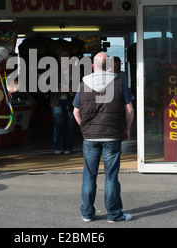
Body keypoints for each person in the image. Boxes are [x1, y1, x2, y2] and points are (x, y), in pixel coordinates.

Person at [73, 52, 134, 222]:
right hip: (112, 136)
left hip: (90, 137)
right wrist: (126, 129)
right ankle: (114, 214)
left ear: (93, 66)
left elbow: (76, 111)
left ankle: (87, 214)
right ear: (109, 66)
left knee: (89, 176)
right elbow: (129, 110)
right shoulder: (119, 83)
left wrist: (84, 128)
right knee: (111, 176)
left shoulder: (83, 84)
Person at [50, 50, 76, 155]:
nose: (65, 57)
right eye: (62, 55)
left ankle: (68, 148)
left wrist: (72, 88)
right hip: (57, 101)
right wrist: (56, 88)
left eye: (67, 55)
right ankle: (58, 147)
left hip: (71, 100)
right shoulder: (53, 70)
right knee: (58, 124)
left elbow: (81, 83)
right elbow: (44, 83)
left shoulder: (75, 70)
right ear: (59, 57)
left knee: (70, 125)